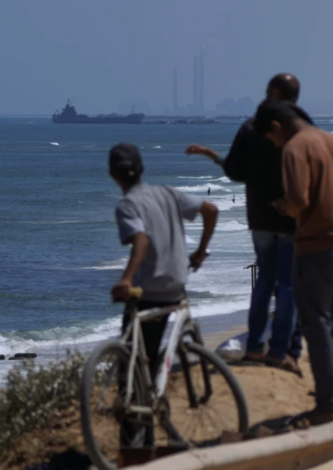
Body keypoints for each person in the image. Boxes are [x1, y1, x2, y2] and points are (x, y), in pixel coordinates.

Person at [184, 73, 310, 375]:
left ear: (275, 92)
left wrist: (214, 156)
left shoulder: (252, 128)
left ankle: (254, 346)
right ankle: (280, 351)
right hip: (292, 219)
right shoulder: (302, 128)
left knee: (265, 282)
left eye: (268, 90)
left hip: (261, 219)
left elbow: (235, 172)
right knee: (287, 286)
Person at [257, 99, 333, 426]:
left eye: (271, 139)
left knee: (315, 326)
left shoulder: (293, 149)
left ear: (275, 128)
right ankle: (329, 398)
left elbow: (298, 200)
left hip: (316, 248)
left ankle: (328, 406)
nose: (275, 145)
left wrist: (282, 206)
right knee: (327, 324)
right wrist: (330, 201)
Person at [110, 143, 218, 445]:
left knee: (129, 369)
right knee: (154, 356)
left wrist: (127, 279)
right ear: (142, 168)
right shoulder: (167, 193)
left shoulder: (127, 204)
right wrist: (199, 252)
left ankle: (134, 443)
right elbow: (210, 209)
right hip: (177, 285)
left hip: (148, 292)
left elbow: (141, 241)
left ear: (112, 175)